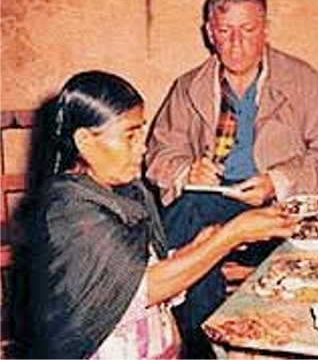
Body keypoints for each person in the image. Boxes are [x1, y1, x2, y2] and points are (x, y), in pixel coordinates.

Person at [10, 70, 296, 360]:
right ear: (85, 141)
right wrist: (231, 234)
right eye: (130, 136)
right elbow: (143, 290)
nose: (143, 148)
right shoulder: (69, 211)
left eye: (141, 133)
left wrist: (198, 246)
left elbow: (134, 270)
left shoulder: (124, 193)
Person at [145, 0, 318, 357]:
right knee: (195, 223)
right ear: (210, 33)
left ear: (266, 29)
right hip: (209, 208)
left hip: (280, 213)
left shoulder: (301, 80)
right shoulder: (188, 87)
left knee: (182, 233)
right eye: (225, 31)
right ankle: (208, 347)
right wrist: (185, 171)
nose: (236, 43)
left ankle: (152, 305)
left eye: (248, 30)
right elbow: (159, 153)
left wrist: (278, 181)